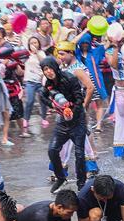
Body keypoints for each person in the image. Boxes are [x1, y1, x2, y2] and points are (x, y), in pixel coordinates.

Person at [39, 54, 90, 193]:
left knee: (79, 155)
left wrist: (71, 111)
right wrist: (54, 106)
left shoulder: (70, 78)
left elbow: (80, 99)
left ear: (55, 67)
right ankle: (61, 177)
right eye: (45, 69)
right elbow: (42, 96)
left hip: (77, 121)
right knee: (52, 150)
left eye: (50, 68)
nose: (48, 72)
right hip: (62, 123)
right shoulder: (49, 84)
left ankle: (81, 185)